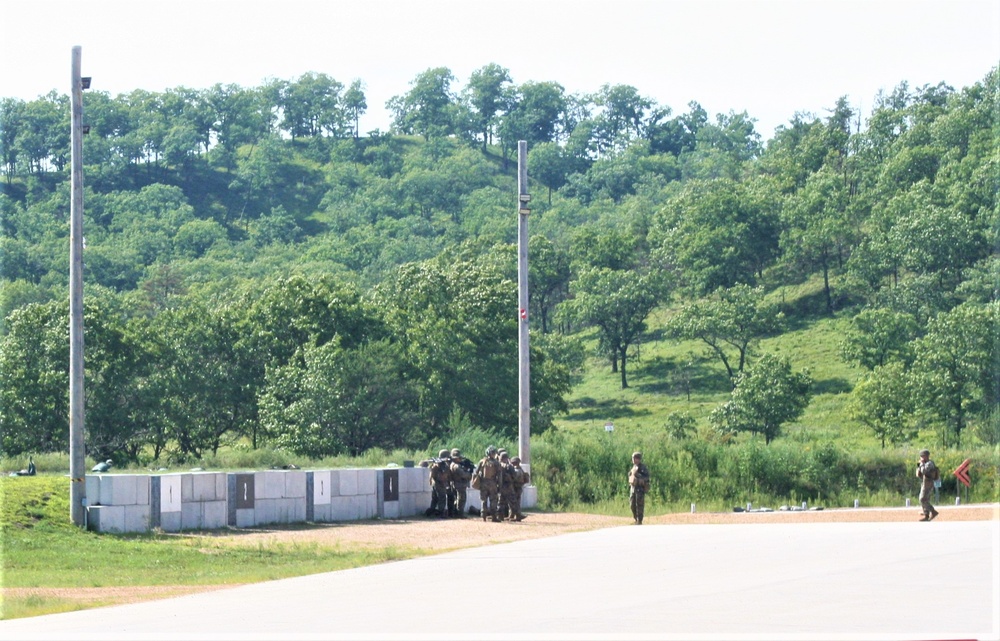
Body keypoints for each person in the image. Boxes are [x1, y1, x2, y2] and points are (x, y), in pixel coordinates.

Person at [475, 446, 502, 522]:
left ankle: (483, 516)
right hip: (492, 484)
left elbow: (476, 472)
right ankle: (494, 517)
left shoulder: (482, 461)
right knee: (493, 500)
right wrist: (500, 485)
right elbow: (499, 476)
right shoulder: (496, 463)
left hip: (483, 483)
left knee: (483, 500)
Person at [916, 449, 940, 521]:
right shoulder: (925, 463)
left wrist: (921, 464)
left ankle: (933, 511)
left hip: (928, 483)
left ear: (926, 456)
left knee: (922, 499)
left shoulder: (929, 463)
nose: (921, 458)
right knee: (924, 498)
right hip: (925, 482)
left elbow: (924, 471)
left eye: (922, 456)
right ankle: (926, 515)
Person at [448, 448, 474, 517]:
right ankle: (460, 513)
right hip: (459, 484)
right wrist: (469, 473)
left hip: (458, 484)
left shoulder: (455, 464)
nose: (460, 459)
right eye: (458, 458)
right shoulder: (456, 466)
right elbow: (463, 474)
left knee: (458, 499)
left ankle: (456, 513)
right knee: (461, 499)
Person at [427, 449, 452, 518]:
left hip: (435, 483)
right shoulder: (442, 465)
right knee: (442, 497)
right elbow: (445, 474)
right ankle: (441, 513)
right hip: (439, 483)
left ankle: (432, 511)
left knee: (434, 498)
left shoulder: (436, 464)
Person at [628, 451, 650, 525]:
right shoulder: (633, 467)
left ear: (638, 459)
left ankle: (639, 520)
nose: (634, 460)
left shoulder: (643, 468)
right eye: (633, 458)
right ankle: (635, 518)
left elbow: (647, 478)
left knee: (639, 505)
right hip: (633, 488)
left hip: (639, 489)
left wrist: (639, 476)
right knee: (632, 504)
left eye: (635, 458)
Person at [509, 456, 529, 521]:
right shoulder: (520, 469)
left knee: (515, 502)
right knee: (516, 502)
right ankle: (513, 515)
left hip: (516, 488)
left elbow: (514, 479)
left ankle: (517, 515)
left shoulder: (516, 470)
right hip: (518, 488)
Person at [497, 451, 516, 521]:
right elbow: (514, 476)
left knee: (500, 502)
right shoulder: (509, 466)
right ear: (506, 458)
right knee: (512, 501)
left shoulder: (498, 465)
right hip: (509, 486)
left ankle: (500, 516)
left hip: (501, 486)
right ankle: (513, 515)